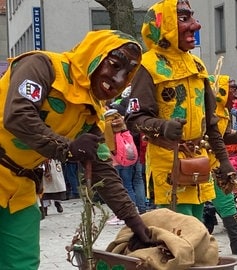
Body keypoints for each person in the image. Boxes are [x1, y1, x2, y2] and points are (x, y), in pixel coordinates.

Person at [0, 29, 153, 270]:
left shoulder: (92, 114)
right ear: (95, 55)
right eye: (114, 65)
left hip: (20, 191)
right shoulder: (42, 66)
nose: (118, 79)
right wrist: (68, 148)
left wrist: (135, 222)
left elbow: (102, 169)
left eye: (127, 75)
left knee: (23, 263)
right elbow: (18, 116)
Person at [125, 0, 236, 221]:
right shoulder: (147, 66)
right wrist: (163, 126)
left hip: (199, 161)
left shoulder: (197, 66)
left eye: (192, 18)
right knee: (179, 233)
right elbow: (134, 119)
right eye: (184, 19)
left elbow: (211, 120)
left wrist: (223, 160)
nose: (196, 26)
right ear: (164, 25)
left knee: (198, 227)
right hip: (169, 165)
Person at [207, 73, 237, 256]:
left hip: (218, 164)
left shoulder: (224, 112)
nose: (235, 94)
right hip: (201, 164)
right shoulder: (206, 112)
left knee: (227, 201)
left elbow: (223, 137)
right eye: (231, 89)